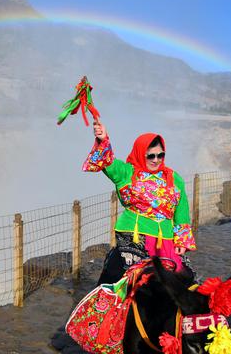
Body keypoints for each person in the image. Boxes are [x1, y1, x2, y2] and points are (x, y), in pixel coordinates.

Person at [84, 120, 196, 284]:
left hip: (165, 240)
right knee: (119, 280)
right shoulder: (127, 172)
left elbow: (181, 209)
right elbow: (107, 161)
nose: (156, 160)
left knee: (185, 282)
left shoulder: (173, 177)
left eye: (160, 155)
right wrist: (103, 139)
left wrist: (181, 239)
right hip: (135, 238)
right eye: (151, 155)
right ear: (141, 153)